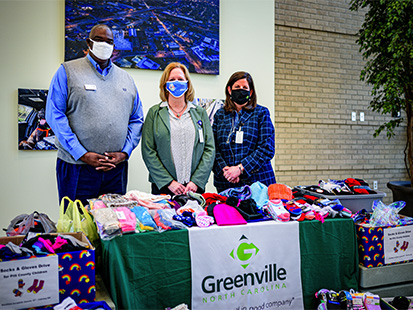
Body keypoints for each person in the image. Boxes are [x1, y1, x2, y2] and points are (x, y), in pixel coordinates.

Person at [46, 24, 144, 205]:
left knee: (114, 226)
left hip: (116, 170)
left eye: (109, 42)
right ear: (88, 42)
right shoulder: (67, 71)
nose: (104, 45)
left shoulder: (126, 79)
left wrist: (125, 152)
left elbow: (137, 119)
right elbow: (54, 114)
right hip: (77, 167)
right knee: (77, 227)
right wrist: (81, 153)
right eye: (99, 40)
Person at [141, 62, 215, 196]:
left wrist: (196, 181)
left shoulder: (200, 113)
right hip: (164, 187)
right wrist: (169, 182)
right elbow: (148, 151)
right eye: (172, 79)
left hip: (194, 188)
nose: (177, 82)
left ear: (187, 84)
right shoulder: (155, 113)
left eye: (180, 79)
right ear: (165, 84)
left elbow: (209, 149)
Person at [212, 71, 276, 193]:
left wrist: (240, 169)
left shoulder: (261, 113)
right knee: (227, 212)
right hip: (226, 182)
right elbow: (213, 147)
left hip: (258, 182)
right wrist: (225, 170)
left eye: (244, 87)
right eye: (237, 87)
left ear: (250, 92)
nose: (241, 90)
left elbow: (267, 148)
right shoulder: (220, 115)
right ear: (230, 90)